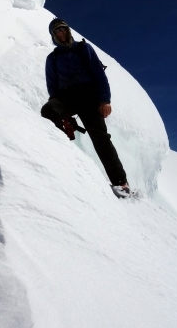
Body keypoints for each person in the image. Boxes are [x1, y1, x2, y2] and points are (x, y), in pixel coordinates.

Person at [40, 18, 131, 198]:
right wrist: (63, 115)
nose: (60, 33)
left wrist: (104, 100)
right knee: (48, 110)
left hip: (89, 97)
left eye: (62, 29)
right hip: (66, 98)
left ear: (67, 30)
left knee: (101, 139)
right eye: (56, 31)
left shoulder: (83, 49)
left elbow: (98, 74)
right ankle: (64, 152)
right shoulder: (52, 58)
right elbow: (52, 86)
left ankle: (121, 183)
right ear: (53, 36)